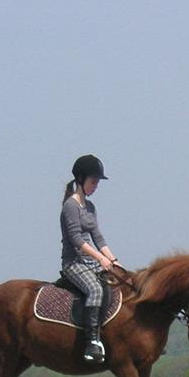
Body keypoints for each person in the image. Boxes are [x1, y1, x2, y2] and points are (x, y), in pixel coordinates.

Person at [60, 154, 120, 364]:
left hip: (92, 262)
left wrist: (113, 260)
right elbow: (76, 239)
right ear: (81, 179)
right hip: (73, 263)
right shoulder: (70, 206)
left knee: (118, 285)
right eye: (93, 181)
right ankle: (92, 342)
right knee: (95, 289)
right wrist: (100, 259)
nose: (95, 186)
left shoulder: (91, 207)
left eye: (97, 183)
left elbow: (98, 238)